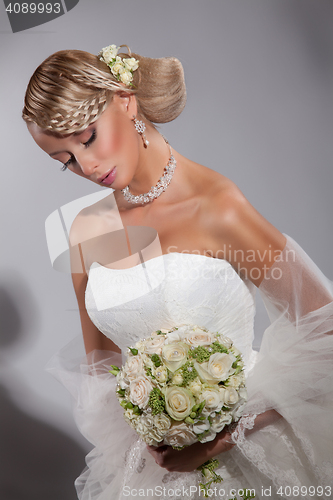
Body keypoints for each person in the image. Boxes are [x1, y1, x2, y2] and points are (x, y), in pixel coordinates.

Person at [22, 45, 333, 500]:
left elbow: (325, 332)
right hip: (148, 472)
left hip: (249, 459)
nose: (85, 167)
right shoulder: (85, 231)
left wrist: (223, 435)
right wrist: (152, 429)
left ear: (125, 101)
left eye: (87, 138)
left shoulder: (217, 208)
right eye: (64, 160)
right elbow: (101, 370)